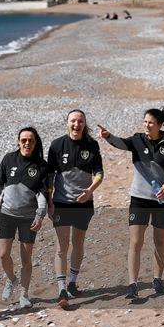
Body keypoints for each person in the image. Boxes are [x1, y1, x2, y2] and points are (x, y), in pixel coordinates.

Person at [98, 108, 164, 299]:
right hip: (139, 199)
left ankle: (157, 279)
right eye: (144, 122)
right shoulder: (137, 140)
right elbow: (121, 143)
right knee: (136, 241)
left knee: (159, 241)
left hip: (163, 200)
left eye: (150, 122)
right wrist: (108, 136)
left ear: (159, 125)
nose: (146, 125)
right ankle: (132, 284)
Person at [0, 127, 49, 309]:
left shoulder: (41, 166)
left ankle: (24, 293)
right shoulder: (8, 159)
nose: (27, 143)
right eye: (23, 140)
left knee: (26, 258)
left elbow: (43, 193)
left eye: (30, 140)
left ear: (35, 143)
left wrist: (40, 214)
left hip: (28, 217)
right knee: (3, 254)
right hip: (6, 214)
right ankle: (11, 279)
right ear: (18, 141)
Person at [47, 110, 104, 308]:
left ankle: (72, 282)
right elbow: (50, 176)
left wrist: (90, 190)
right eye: (73, 121)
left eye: (80, 121)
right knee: (62, 247)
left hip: (84, 204)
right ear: (67, 123)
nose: (76, 124)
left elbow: (99, 173)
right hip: (61, 203)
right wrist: (49, 200)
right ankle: (62, 289)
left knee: (78, 244)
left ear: (84, 124)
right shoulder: (56, 145)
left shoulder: (92, 145)